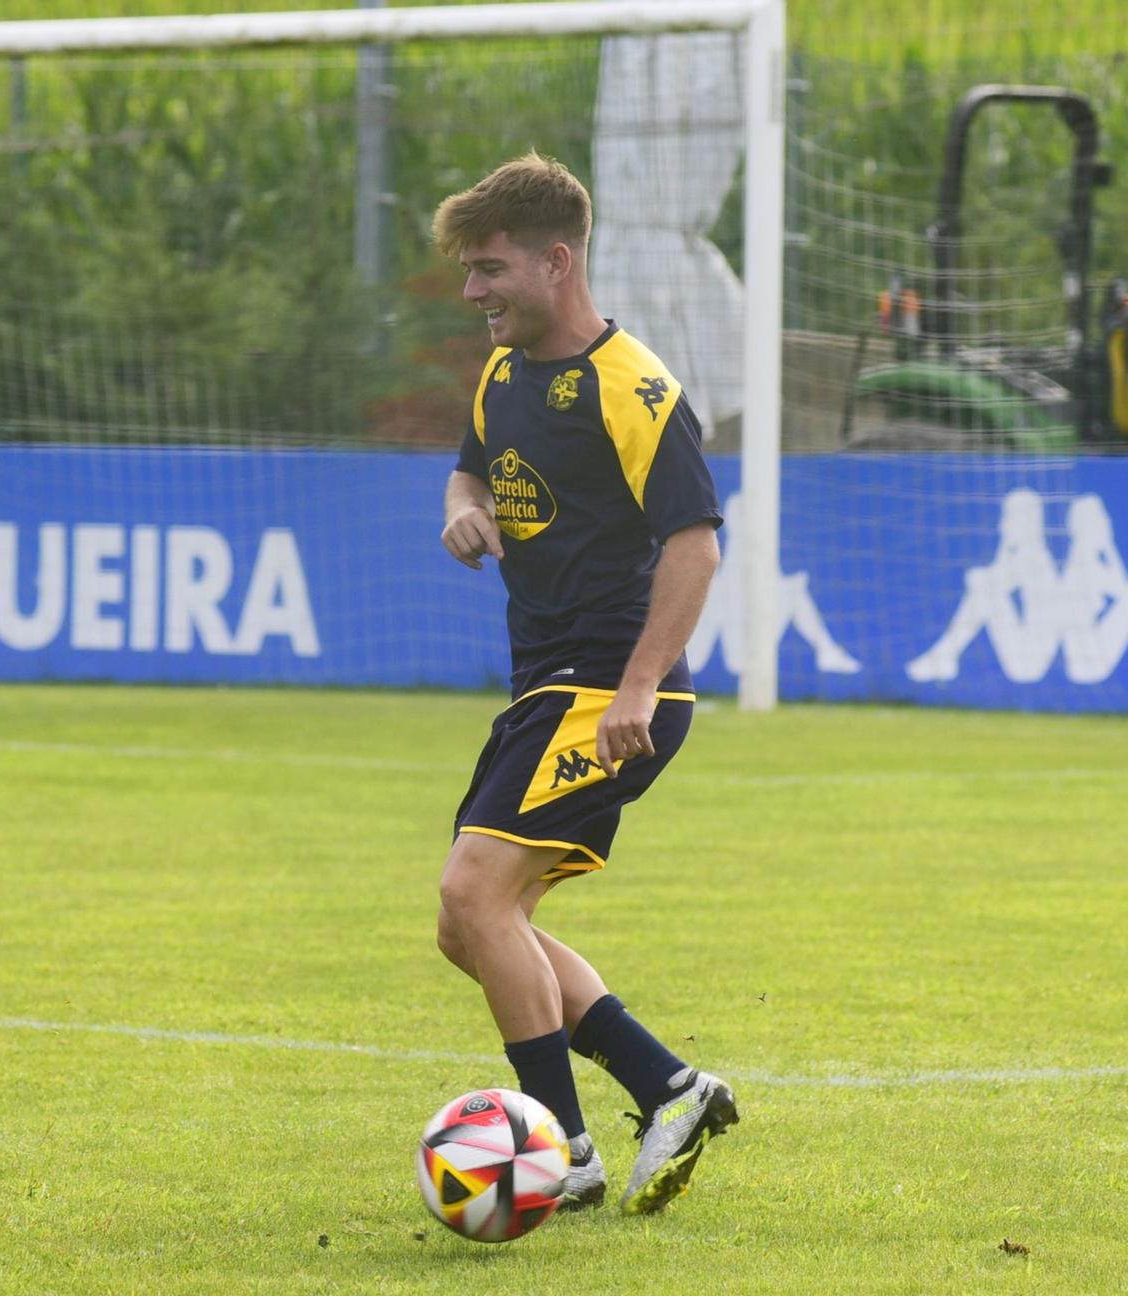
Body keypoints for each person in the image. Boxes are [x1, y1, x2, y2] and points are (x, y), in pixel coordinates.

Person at [431, 154, 737, 1215]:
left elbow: (695, 547)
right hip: (543, 686)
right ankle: (666, 1086)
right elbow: (469, 467)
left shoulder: (634, 388)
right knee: (465, 924)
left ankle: (559, 1149)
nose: (471, 293)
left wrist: (637, 690)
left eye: (488, 270)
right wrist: (458, 505)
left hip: (608, 689)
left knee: (476, 895)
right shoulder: (501, 372)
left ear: (555, 262)